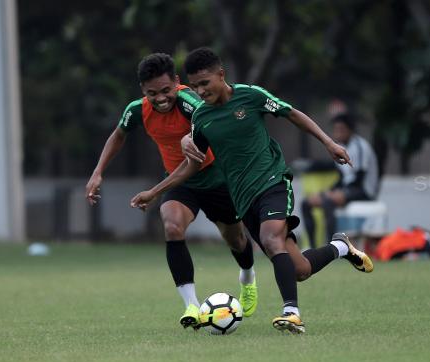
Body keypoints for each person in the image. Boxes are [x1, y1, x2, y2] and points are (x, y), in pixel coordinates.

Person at [131, 47, 373, 334]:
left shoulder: (251, 95)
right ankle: (341, 247)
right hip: (243, 199)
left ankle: (291, 313)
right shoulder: (202, 118)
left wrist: (329, 143)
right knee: (300, 269)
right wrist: (155, 191)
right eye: (194, 86)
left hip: (272, 181)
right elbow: (191, 166)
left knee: (271, 240)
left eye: (205, 83)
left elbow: (292, 114)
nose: (200, 90)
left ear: (221, 75)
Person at [85, 53, 258, 330]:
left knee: (235, 240)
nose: (161, 98)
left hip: (217, 180)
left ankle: (248, 278)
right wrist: (97, 172)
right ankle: (191, 305)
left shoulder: (190, 102)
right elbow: (118, 134)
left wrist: (189, 138)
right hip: (181, 183)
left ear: (177, 83)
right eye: (152, 93)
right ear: (143, 90)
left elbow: (205, 127)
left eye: (166, 90)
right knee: (173, 227)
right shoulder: (137, 110)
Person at [301, 113, 379, 248]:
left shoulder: (361, 146)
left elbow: (358, 179)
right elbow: (342, 177)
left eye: (341, 129)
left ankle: (331, 247)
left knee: (327, 201)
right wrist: (330, 191)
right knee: (306, 203)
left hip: (364, 190)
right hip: (348, 189)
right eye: (336, 129)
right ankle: (312, 247)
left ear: (350, 130)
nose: (337, 133)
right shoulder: (339, 147)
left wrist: (335, 194)